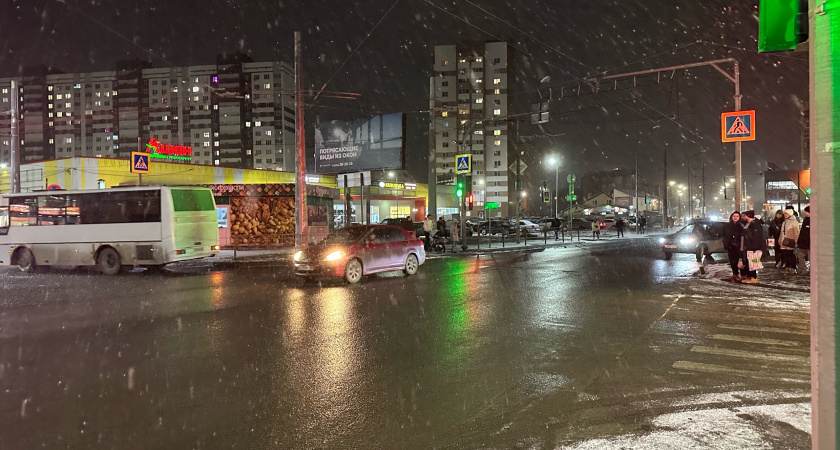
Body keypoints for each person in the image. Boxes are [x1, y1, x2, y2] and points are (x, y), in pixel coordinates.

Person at [739, 210, 765, 283]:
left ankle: (753, 277)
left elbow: (756, 236)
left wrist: (754, 247)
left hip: (751, 246)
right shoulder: (747, 223)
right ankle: (749, 276)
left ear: (748, 216)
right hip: (746, 245)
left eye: (745, 215)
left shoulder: (754, 224)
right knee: (747, 262)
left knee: (752, 261)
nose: (743, 217)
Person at [722, 211, 742, 282]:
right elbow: (724, 234)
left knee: (739, 260)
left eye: (737, 216)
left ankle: (742, 275)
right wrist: (726, 243)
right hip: (730, 246)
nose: (735, 218)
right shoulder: (728, 225)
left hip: (739, 246)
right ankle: (735, 274)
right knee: (732, 260)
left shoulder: (741, 225)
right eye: (734, 216)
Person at [779, 207, 800, 273]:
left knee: (791, 254)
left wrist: (796, 240)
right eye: (784, 213)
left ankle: (793, 267)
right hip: (784, 241)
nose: (785, 215)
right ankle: (787, 267)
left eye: (786, 213)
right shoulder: (784, 222)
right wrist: (780, 239)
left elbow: (796, 232)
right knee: (785, 254)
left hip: (790, 240)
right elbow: (781, 232)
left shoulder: (794, 222)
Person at [796, 206, 810, 274]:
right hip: (803, 242)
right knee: (800, 256)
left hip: (809, 243)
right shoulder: (806, 219)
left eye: (806, 212)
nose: (805, 213)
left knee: (811, 258)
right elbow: (802, 231)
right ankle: (804, 269)